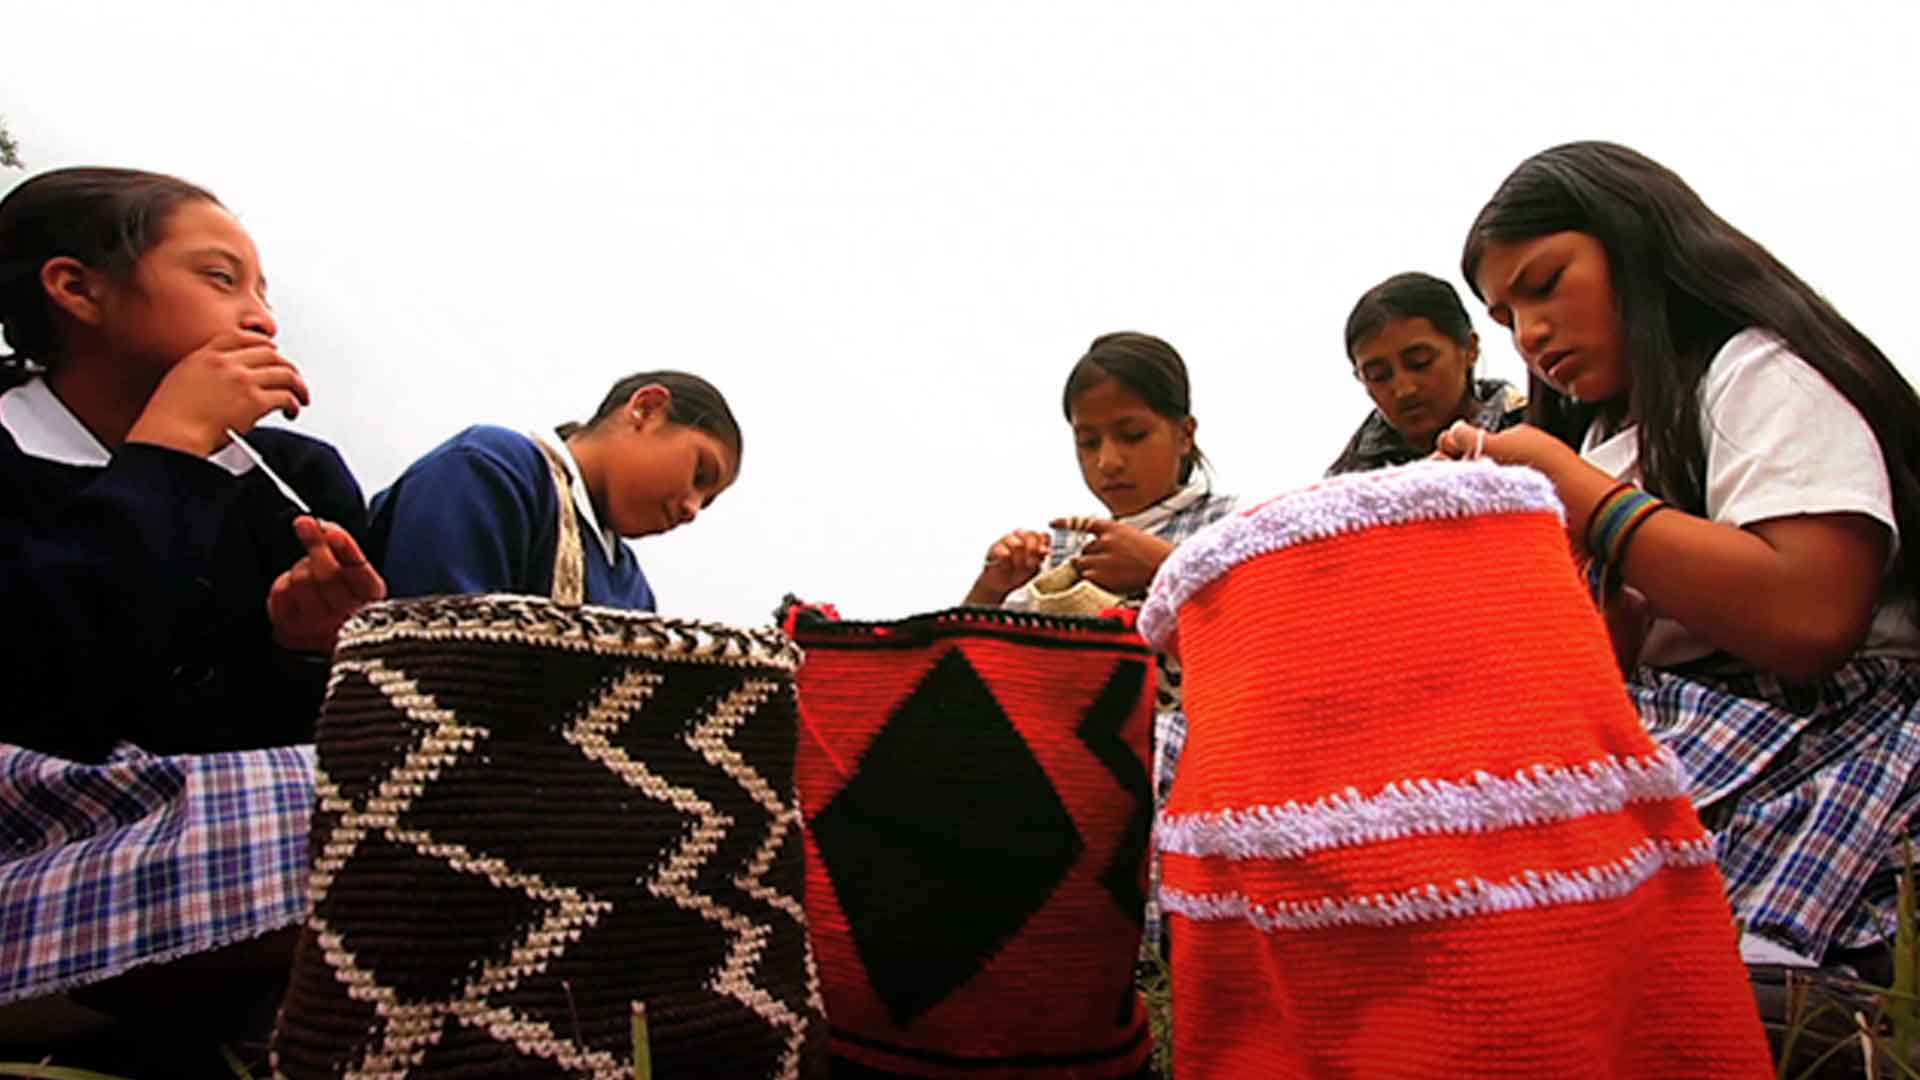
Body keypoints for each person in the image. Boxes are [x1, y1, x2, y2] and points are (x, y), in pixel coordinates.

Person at [1439, 140, 1920, 972]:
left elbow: (1811, 615)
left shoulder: (1754, 373)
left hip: (1825, 736)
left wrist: (1580, 495)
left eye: (1546, 284)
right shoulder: (1599, 436)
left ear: (1637, 244)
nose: (1532, 333)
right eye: (1507, 319)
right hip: (1675, 729)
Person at [0, 167, 385, 1056]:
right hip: (31, 838)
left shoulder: (300, 482)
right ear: (76, 289)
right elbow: (38, 693)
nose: (262, 318)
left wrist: (305, 652)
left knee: (400, 799)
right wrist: (168, 452)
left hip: (185, 847)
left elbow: (263, 739)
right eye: (221, 278)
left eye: (263, 292)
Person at [965, 331, 1237, 948]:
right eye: (1088, 442)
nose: (1109, 461)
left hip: (1193, 776)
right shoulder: (1064, 550)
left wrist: (1164, 567)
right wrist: (992, 587)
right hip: (1072, 790)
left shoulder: (1231, 528)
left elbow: (1267, 632)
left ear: (1185, 434)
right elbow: (976, 667)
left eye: (1132, 435)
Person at [368, 371, 741, 609]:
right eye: (700, 473)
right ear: (647, 409)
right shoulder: (494, 468)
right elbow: (436, 653)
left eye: (706, 503)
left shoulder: (633, 590)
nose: (692, 510)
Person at [1328, 271, 1526, 475]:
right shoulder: (1348, 479)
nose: (1404, 390)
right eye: (1378, 376)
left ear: (1470, 349)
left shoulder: (1534, 430)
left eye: (1420, 363)